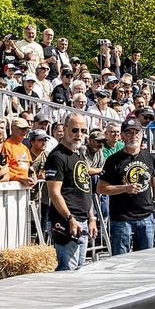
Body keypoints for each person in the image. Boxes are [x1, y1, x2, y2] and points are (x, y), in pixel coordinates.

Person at [97, 118, 155, 254]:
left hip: (146, 218)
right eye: (129, 133)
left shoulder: (149, 158)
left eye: (137, 132)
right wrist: (125, 188)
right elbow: (101, 188)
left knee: (145, 261)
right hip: (121, 220)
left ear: (142, 134)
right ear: (123, 136)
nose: (133, 136)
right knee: (120, 263)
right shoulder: (113, 160)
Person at [44, 115, 96, 271]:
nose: (79, 134)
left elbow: (85, 188)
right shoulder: (56, 156)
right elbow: (54, 193)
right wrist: (70, 218)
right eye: (74, 130)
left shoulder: (78, 154)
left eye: (83, 130)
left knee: (80, 269)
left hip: (82, 220)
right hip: (66, 220)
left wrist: (91, 217)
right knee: (67, 271)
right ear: (64, 129)